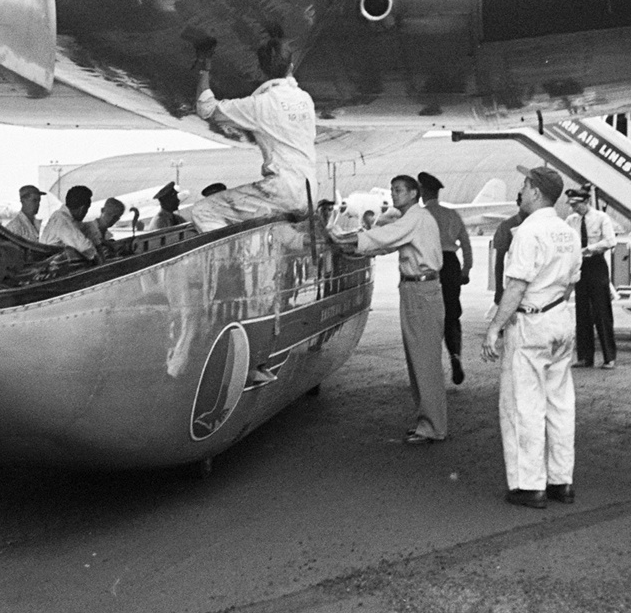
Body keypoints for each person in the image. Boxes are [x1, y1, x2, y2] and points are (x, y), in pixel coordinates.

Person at [482, 166, 581, 510]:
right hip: (560, 321)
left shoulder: (526, 232)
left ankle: (529, 485)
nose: (520, 192)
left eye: (524, 185)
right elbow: (571, 281)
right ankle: (561, 481)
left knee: (523, 405)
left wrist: (495, 327)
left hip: (532, 324)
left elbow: (516, 286)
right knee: (560, 404)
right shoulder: (568, 232)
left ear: (536, 192)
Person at [331, 175, 448, 444]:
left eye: (399, 190)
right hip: (415, 290)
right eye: (393, 190)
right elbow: (388, 245)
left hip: (421, 291)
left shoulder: (414, 218)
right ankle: (428, 422)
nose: (394, 195)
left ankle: (433, 426)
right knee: (419, 358)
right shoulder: (411, 219)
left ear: (413, 193)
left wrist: (345, 241)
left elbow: (384, 237)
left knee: (424, 360)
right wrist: (356, 248)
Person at [190, 35, 317, 231]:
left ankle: (232, 260)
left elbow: (206, 108)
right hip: (309, 191)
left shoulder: (260, 105)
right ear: (291, 67)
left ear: (261, 69)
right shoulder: (305, 99)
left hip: (281, 189)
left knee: (203, 211)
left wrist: (204, 67)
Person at [419, 172, 473, 386]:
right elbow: (466, 244)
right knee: (451, 313)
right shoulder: (452, 214)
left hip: (429, 264)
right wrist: (466, 270)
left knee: (429, 316)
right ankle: (455, 356)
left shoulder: (421, 215)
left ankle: (430, 368)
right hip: (451, 264)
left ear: (423, 192)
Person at [567, 187, 618, 369]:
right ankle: (584, 357)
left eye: (577, 204)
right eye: (572, 205)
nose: (574, 208)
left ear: (586, 202)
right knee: (582, 313)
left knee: (602, 312)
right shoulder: (571, 220)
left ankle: (609, 357)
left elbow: (611, 241)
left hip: (596, 265)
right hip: (580, 267)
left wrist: (589, 249)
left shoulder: (601, 218)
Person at [40, 184, 99, 261]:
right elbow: (84, 247)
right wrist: (99, 258)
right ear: (82, 209)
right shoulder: (62, 220)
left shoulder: (64, 217)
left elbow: (83, 230)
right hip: (52, 266)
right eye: (86, 210)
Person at [492, 204, 528, 306]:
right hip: (515, 281)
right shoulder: (507, 226)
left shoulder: (542, 225)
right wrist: (498, 288)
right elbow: (499, 260)